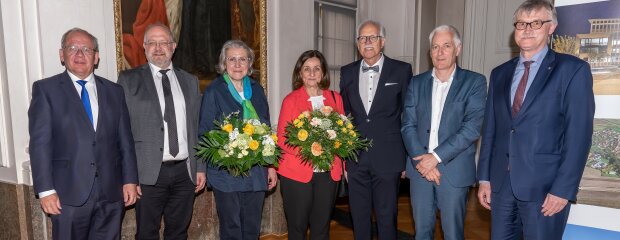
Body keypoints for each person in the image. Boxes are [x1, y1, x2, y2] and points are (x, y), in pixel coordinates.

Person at [477, 1, 595, 239]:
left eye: (536, 23)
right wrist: (484, 178)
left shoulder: (572, 70)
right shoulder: (499, 73)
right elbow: (491, 130)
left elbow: (578, 136)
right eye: (521, 23)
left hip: (545, 190)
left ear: (551, 27)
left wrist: (562, 190)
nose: (527, 29)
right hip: (501, 185)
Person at [28, 28, 138, 240]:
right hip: (67, 195)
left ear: (96, 57)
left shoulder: (114, 91)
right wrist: (45, 190)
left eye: (86, 49)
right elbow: (40, 144)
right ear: (62, 54)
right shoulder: (46, 90)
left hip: (111, 193)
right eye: (73, 48)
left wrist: (130, 180)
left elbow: (125, 141)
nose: (80, 54)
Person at [118, 23, 206, 239]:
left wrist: (200, 167)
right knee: (147, 233)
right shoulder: (128, 81)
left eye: (163, 42)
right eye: (152, 43)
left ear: (173, 46)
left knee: (178, 231)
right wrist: (128, 176)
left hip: (184, 172)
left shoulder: (190, 81)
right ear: (144, 47)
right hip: (147, 174)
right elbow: (121, 132)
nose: (158, 48)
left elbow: (197, 126)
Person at [401, 25, 487, 240]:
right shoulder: (416, 82)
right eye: (435, 47)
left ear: (457, 49)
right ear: (429, 52)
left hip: (453, 171)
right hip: (420, 170)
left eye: (446, 46)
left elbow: (471, 128)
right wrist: (423, 162)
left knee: (453, 234)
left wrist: (435, 157)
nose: (440, 52)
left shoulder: (474, 82)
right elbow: (407, 125)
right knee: (421, 233)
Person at [339, 20, 413, 239]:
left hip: (389, 158)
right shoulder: (347, 72)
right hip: (356, 159)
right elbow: (345, 117)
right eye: (362, 38)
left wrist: (407, 159)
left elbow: (408, 116)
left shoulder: (401, 70)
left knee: (386, 217)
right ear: (357, 43)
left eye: (372, 37)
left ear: (383, 41)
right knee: (359, 218)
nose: (367, 42)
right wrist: (344, 157)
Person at [198, 39, 277, 239]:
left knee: (252, 228)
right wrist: (201, 169)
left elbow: (266, 130)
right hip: (226, 173)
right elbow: (204, 132)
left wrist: (271, 166)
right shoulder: (214, 91)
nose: (237, 64)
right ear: (224, 63)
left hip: (256, 172)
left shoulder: (257, 90)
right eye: (232, 59)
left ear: (250, 63)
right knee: (231, 228)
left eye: (243, 59)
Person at [276, 50, 344, 240]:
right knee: (297, 229)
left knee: (322, 228)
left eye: (316, 69)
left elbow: (344, 134)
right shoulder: (290, 100)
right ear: (300, 73)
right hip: (297, 174)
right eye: (307, 69)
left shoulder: (335, 98)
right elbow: (282, 139)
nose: (312, 73)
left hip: (328, 174)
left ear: (323, 73)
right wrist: (312, 151)